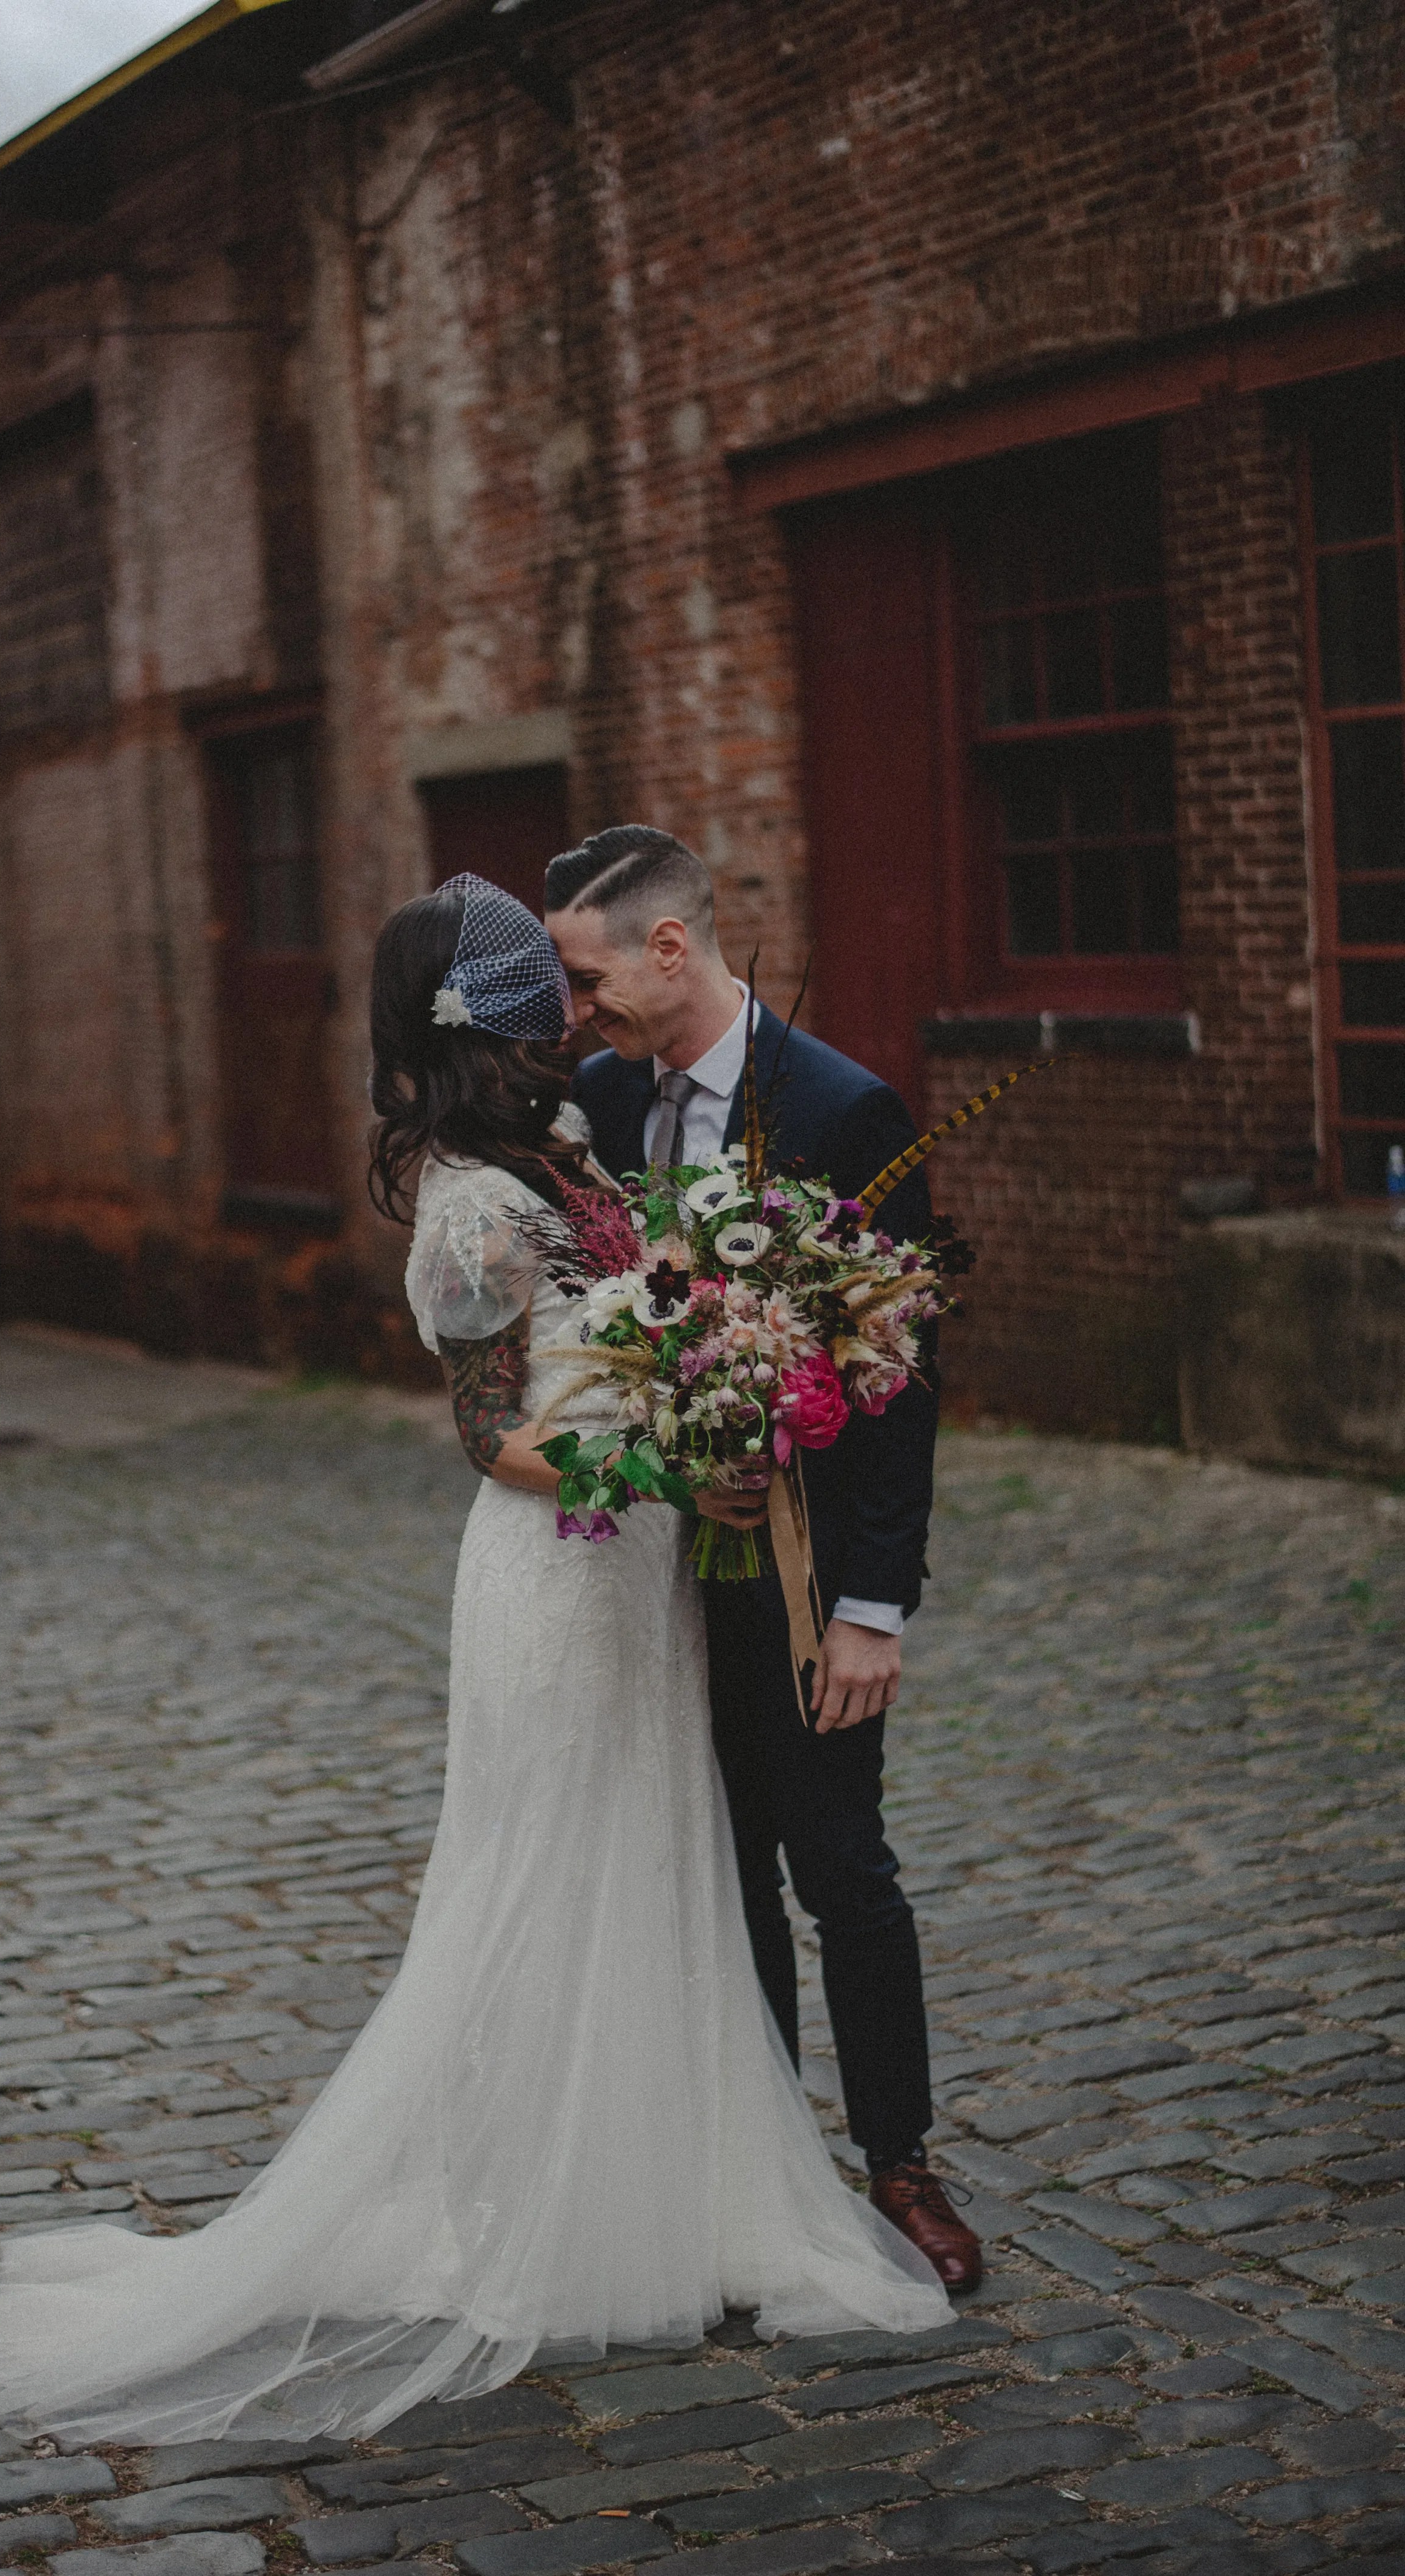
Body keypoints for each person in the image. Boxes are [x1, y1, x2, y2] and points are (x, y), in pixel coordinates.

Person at [0, 872, 948, 2448]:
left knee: (658, 1862)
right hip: (555, 1580)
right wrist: (671, 1461)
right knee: (543, 1873)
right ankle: (543, 2209)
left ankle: (673, 2194)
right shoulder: (474, 1197)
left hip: (642, 1586)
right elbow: (496, 1440)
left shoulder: (572, 1150)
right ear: (500, 1014)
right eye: (547, 984)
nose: (573, 1003)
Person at [547, 825, 981, 2291]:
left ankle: (901, 2162)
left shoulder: (844, 1109)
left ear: (671, 946)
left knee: (838, 1864)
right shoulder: (598, 1106)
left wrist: (872, 1606)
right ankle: (757, 2168)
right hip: (662, 1568)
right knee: (713, 1869)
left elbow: (902, 1383)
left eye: (589, 974)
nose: (579, 1009)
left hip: (807, 1577)